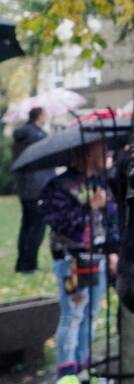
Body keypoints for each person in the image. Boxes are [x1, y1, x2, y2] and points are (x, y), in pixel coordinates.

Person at [39, 136, 120, 382]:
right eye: (101, 148)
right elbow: (59, 223)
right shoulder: (59, 185)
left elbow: (111, 222)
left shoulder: (101, 183)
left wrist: (113, 250)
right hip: (72, 262)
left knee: (91, 315)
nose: (107, 152)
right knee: (72, 315)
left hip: (99, 259)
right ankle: (66, 373)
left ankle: (84, 369)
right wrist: (91, 207)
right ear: (86, 152)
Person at [12, 106, 51, 273]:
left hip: (25, 187)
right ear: (39, 116)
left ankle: (22, 263)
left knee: (27, 226)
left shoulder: (22, 135)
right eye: (45, 114)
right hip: (37, 187)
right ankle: (30, 265)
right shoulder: (37, 135)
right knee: (36, 226)